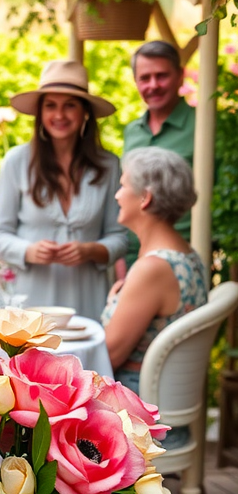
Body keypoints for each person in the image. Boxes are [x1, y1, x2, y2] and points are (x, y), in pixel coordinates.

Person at [0, 60, 128, 320]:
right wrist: (29, 251)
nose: (60, 115)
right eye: (50, 105)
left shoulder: (109, 165)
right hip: (29, 304)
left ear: (85, 111)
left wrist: (90, 250)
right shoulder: (16, 161)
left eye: (70, 106)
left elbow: (120, 238)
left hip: (88, 302)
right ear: (40, 112)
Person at [102, 147, 207, 398]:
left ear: (144, 198)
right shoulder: (187, 254)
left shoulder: (153, 268)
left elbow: (108, 356)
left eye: (123, 186)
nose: (117, 196)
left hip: (138, 409)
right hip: (162, 398)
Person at [123, 40, 195, 267]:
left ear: (180, 76)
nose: (153, 85)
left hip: (182, 253)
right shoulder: (132, 131)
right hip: (135, 253)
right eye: (145, 78)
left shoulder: (204, 125)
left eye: (161, 75)